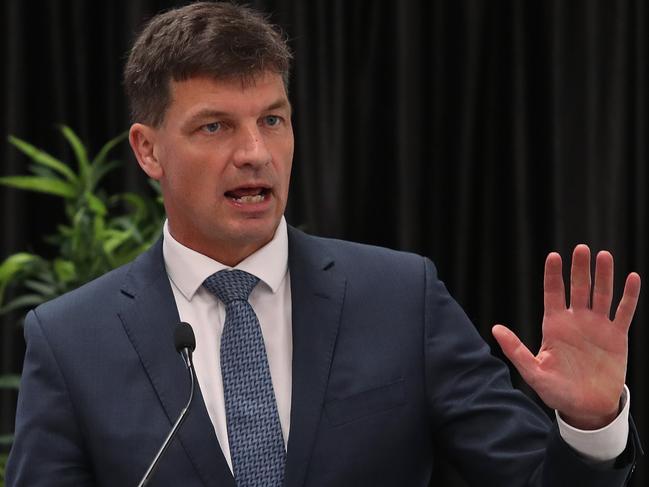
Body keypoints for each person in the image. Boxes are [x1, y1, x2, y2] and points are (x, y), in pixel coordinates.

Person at [6, 2, 642, 486]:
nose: (255, 153)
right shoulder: (71, 341)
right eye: (215, 126)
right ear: (148, 150)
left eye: (273, 120)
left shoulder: (400, 299)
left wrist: (590, 426)